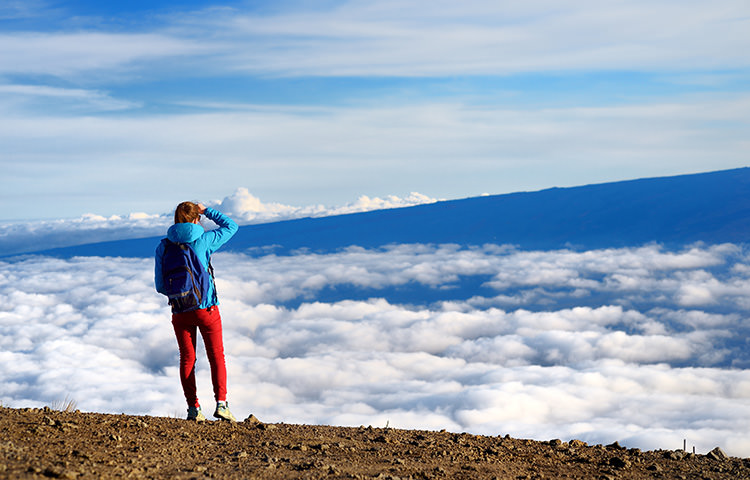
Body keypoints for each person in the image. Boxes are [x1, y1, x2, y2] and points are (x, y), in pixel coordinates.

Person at [154, 201, 239, 422]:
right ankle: (221, 404)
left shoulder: (163, 246)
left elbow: (160, 286)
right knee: (216, 356)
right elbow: (231, 227)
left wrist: (181, 295)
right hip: (207, 309)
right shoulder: (204, 240)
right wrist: (207, 210)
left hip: (180, 311)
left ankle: (193, 409)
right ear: (196, 220)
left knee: (187, 358)